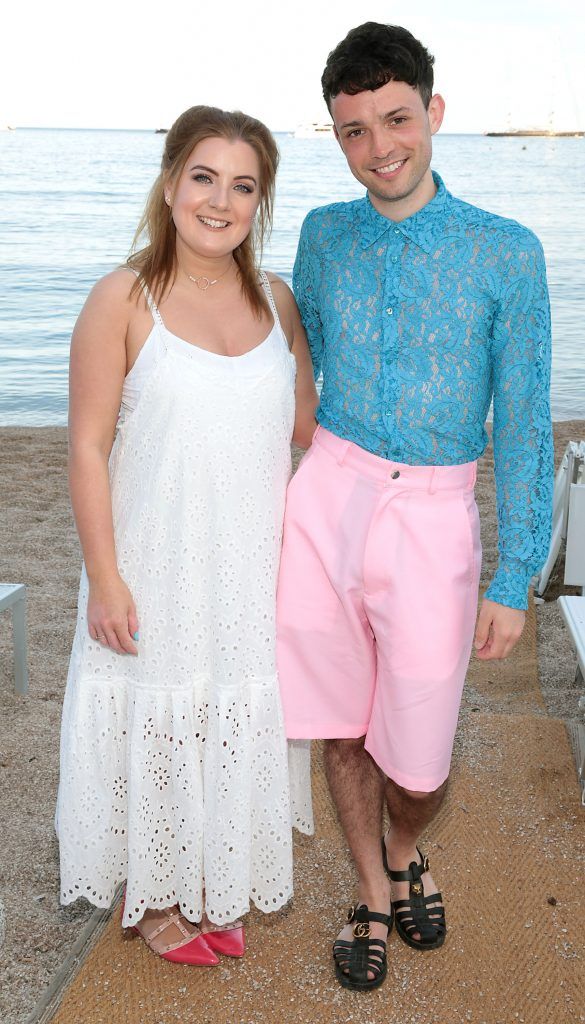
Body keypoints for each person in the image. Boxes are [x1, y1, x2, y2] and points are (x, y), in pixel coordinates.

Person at [276, 23, 553, 991]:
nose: (379, 146)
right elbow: (292, 363)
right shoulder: (322, 234)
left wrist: (514, 572)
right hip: (328, 499)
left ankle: (404, 846)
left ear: (433, 114)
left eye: (396, 119)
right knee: (341, 724)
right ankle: (371, 886)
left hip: (436, 517)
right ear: (338, 134)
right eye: (354, 129)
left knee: (422, 757)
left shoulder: (506, 253)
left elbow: (523, 423)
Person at [56, 105, 317, 965]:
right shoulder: (121, 297)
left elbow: (305, 425)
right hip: (154, 557)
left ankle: (208, 874)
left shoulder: (276, 300)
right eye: (204, 177)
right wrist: (106, 577)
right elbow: (88, 447)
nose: (220, 200)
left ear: (259, 203)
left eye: (243, 186)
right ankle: (155, 894)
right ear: (170, 184)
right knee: (160, 719)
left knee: (224, 713)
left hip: (249, 563)